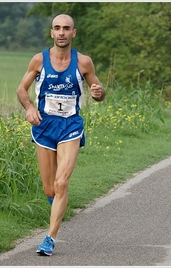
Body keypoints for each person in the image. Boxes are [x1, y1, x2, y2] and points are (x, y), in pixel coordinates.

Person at [16, 14, 106, 256]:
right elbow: (21, 89)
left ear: (73, 33)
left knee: (61, 182)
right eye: (57, 28)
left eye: (67, 28)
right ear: (52, 33)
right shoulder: (39, 60)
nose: (62, 32)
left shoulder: (84, 62)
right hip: (44, 127)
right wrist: (29, 108)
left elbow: (98, 92)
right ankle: (59, 205)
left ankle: (50, 238)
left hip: (70, 126)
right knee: (49, 190)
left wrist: (99, 93)